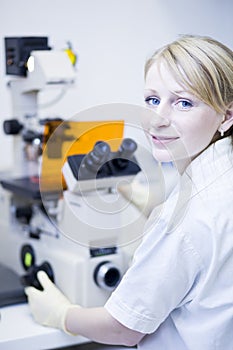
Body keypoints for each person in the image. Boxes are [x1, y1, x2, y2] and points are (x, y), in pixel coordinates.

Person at [25, 34, 233, 349]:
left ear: (227, 115)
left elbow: (124, 328)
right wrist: (155, 207)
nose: (157, 119)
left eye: (183, 102)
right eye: (152, 99)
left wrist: (62, 315)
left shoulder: (185, 218)